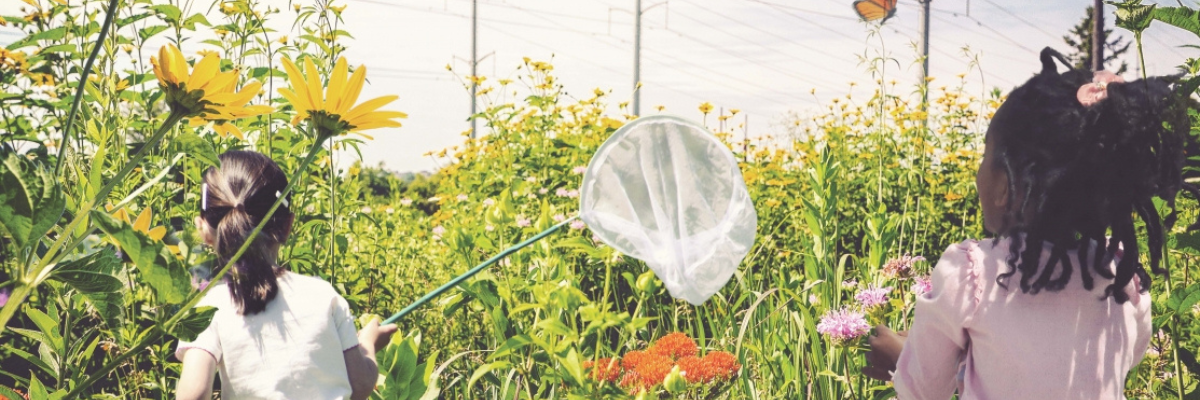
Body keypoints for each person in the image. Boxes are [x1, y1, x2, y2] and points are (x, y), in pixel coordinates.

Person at [864, 48, 1195, 399]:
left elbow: (924, 389)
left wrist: (899, 356)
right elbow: (1108, 362)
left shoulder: (972, 275)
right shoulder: (1122, 280)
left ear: (1005, 185)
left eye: (985, 157)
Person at [175, 150, 398, 400]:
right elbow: (360, 385)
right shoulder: (324, 295)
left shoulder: (209, 307)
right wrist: (368, 343)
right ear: (287, 226)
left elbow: (192, 395)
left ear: (203, 230)